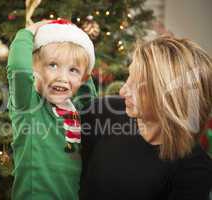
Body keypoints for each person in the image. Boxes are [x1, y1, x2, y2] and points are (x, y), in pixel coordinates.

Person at [80, 36, 212, 200]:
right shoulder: (102, 113)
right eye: (129, 77)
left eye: (139, 85)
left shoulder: (193, 168)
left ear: (173, 99)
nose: (122, 91)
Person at [6, 19, 97, 199]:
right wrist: (28, 32)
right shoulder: (29, 106)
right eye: (53, 65)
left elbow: (90, 97)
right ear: (34, 69)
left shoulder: (77, 110)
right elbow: (18, 69)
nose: (62, 77)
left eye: (73, 70)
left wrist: (77, 39)